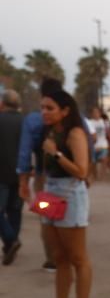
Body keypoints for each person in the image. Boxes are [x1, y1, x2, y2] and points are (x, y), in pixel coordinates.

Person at [30, 90, 93, 298]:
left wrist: (55, 152)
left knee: (78, 256)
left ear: (65, 110)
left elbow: (82, 170)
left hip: (70, 196)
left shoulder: (74, 133)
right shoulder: (49, 132)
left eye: (49, 108)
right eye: (42, 108)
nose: (44, 112)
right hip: (51, 194)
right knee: (59, 257)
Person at [17, 77, 63, 270]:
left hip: (44, 177)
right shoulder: (72, 115)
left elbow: (25, 152)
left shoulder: (33, 119)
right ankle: (66, 256)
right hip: (69, 176)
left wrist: (23, 181)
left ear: (42, 95)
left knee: (47, 217)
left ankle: (52, 259)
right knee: (69, 217)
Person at [1, 90, 24, 265]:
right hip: (19, 174)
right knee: (15, 211)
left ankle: (10, 240)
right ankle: (10, 246)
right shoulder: (24, 121)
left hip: (1, 175)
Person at [85, 106, 110, 180]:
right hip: (93, 146)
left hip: (103, 145)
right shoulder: (89, 122)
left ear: (99, 113)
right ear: (91, 114)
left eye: (97, 112)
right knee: (93, 162)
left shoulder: (104, 122)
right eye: (94, 112)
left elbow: (108, 133)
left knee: (104, 160)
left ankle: (102, 176)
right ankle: (95, 176)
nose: (95, 114)